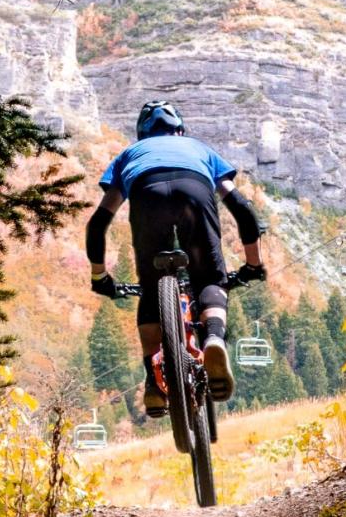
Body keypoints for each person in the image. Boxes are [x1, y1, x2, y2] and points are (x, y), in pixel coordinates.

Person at [85, 101, 266, 417]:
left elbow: (98, 222)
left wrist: (100, 276)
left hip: (146, 193)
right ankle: (213, 341)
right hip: (193, 188)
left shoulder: (129, 156)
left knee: (151, 290)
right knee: (210, 278)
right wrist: (253, 265)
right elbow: (242, 209)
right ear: (180, 130)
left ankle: (154, 385)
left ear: (143, 135)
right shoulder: (198, 149)